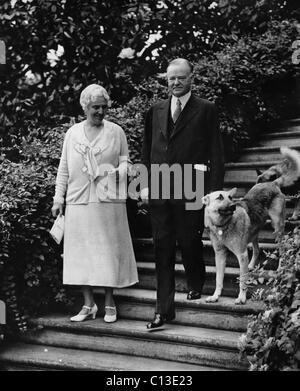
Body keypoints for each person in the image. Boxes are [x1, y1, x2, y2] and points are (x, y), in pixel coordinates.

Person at [141, 58, 225, 330]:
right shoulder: (155, 110)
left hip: (192, 187)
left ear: (191, 78)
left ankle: (196, 281)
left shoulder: (206, 109)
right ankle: (162, 310)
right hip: (161, 189)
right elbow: (147, 150)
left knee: (189, 241)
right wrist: (144, 183)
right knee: (162, 248)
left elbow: (216, 152)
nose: (175, 83)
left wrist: (212, 193)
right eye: (171, 78)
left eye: (180, 78)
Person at [51, 84, 138, 323]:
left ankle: (109, 302)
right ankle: (88, 304)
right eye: (95, 107)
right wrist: (58, 198)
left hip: (107, 200)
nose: (100, 111)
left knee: (107, 251)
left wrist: (113, 172)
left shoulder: (116, 132)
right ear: (85, 107)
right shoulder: (73, 134)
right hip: (78, 201)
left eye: (103, 107)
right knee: (81, 254)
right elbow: (64, 169)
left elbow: (127, 164)